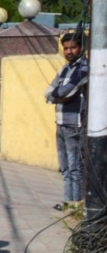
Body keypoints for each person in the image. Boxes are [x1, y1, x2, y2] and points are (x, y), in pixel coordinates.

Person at [45, 32, 88, 209]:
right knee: (65, 168)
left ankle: (75, 205)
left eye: (73, 47)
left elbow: (63, 91)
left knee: (75, 167)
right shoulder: (65, 69)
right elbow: (48, 91)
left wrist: (55, 96)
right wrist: (57, 96)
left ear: (82, 47)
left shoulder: (83, 69)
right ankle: (67, 202)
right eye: (66, 48)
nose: (69, 51)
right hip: (61, 123)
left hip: (74, 125)